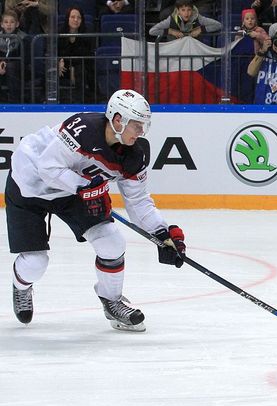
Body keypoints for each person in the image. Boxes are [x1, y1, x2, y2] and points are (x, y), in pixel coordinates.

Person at [5, 89, 187, 332]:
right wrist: (84, 187)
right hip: (29, 184)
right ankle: (21, 285)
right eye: (137, 124)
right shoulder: (82, 128)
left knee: (112, 242)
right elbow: (47, 168)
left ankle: (112, 301)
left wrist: (163, 233)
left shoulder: (134, 157)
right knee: (35, 263)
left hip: (75, 189)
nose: (142, 131)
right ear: (118, 120)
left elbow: (139, 202)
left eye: (144, 125)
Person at [58, 6, 94, 103]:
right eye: (72, 17)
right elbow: (54, 52)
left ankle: (79, 102)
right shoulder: (59, 33)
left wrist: (72, 67)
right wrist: (58, 61)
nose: (76, 20)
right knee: (52, 70)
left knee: (80, 70)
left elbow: (87, 56)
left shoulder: (86, 34)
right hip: (62, 68)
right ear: (67, 19)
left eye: (79, 17)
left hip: (80, 67)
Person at [149, 0, 221, 41]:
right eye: (183, 10)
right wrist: (171, 31)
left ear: (192, 11)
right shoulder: (171, 19)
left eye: (189, 10)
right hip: (176, 52)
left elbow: (218, 25)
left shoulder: (198, 18)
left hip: (194, 52)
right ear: (178, 11)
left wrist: (201, 29)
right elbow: (152, 31)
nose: (186, 13)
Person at [0, 9, 26, 103]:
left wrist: (5, 63)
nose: (9, 24)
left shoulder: (23, 38)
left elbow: (25, 58)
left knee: (11, 67)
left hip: (19, 67)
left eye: (12, 22)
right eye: (6, 22)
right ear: (1, 24)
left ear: (17, 24)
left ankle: (14, 102)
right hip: (2, 66)